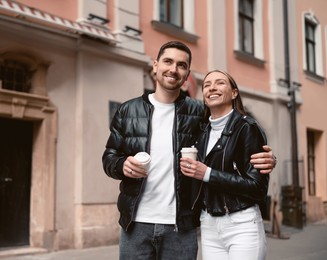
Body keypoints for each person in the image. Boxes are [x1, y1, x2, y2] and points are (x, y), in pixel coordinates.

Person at [102, 41, 275, 260]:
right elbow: (109, 156)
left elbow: (229, 133)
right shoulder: (128, 110)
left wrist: (266, 156)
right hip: (135, 224)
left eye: (181, 65)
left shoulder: (199, 113)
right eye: (168, 61)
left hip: (181, 226)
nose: (173, 69)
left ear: (187, 75)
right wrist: (121, 164)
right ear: (155, 66)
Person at [180, 69, 269, 260]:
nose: (212, 87)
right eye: (206, 84)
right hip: (209, 224)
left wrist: (207, 173)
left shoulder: (247, 128)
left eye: (220, 83)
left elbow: (258, 187)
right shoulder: (201, 132)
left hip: (241, 223)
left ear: (234, 93)